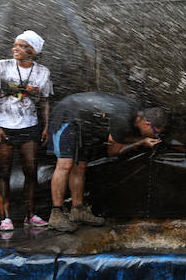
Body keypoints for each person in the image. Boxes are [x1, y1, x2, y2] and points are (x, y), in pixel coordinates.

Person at [47, 92, 167, 232]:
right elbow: (113, 151)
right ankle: (56, 213)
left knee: (80, 166)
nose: (155, 136)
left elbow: (120, 138)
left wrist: (141, 141)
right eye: (156, 132)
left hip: (84, 125)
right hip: (68, 115)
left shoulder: (136, 112)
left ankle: (78, 209)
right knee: (65, 164)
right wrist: (140, 142)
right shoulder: (124, 117)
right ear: (147, 124)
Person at [0, 30, 53, 232]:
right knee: (3, 171)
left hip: (30, 125)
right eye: (15, 44)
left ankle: (30, 215)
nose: (16, 48)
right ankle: (5, 218)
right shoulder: (2, 66)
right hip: (4, 125)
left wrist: (46, 126)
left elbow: (45, 101)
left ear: (33, 51)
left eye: (23, 46)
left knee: (31, 172)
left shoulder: (42, 72)